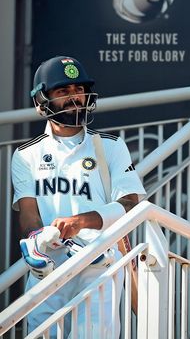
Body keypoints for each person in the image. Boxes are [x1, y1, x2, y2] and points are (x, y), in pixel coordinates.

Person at [11, 55, 146, 338]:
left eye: (79, 90)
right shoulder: (25, 155)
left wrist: (81, 222)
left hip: (100, 268)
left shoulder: (111, 146)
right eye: (63, 91)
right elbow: (27, 214)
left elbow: (131, 203)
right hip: (47, 272)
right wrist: (39, 236)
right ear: (41, 101)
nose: (75, 97)